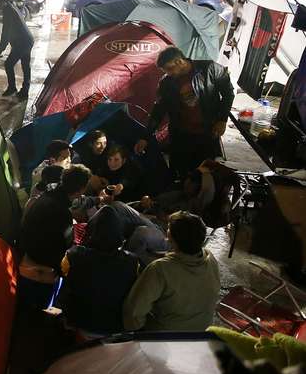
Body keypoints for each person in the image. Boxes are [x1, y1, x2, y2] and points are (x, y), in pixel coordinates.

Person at [134, 46, 234, 179]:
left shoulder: (210, 68)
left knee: (204, 174)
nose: (168, 73)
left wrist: (222, 120)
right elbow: (159, 110)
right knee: (179, 174)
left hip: (207, 133)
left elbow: (228, 94)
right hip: (180, 135)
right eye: (165, 71)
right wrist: (146, 137)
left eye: (169, 69)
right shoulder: (166, 82)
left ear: (180, 62)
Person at [123, 211, 220, 331]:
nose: (166, 231)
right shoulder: (210, 259)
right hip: (199, 332)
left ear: (172, 238)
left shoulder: (159, 269)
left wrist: (136, 333)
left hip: (167, 337)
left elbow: (133, 313)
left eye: (168, 229)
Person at [19, 165, 91, 310]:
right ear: (81, 190)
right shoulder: (61, 212)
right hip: (42, 269)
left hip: (26, 255)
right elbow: (64, 247)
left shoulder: (46, 196)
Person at [60, 206, 139, 336]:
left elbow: (64, 279)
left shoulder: (73, 256)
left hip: (81, 323)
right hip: (116, 328)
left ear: (91, 229)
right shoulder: (133, 262)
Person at [0, 0, 34, 100]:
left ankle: (12, 88)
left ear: (4, 2)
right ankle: (25, 91)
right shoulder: (12, 7)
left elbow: (5, 32)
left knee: (8, 64)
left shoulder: (8, 11)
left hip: (22, 42)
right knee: (25, 66)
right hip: (27, 40)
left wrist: (0, 49)